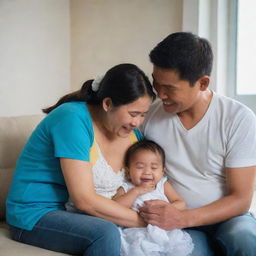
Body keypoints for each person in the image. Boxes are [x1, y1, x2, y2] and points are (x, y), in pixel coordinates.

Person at [6, 63, 156, 256]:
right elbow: (84, 200)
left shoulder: (132, 135)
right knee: (104, 233)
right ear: (107, 103)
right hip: (35, 214)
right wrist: (146, 222)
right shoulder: (72, 118)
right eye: (133, 114)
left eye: (143, 114)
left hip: (76, 213)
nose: (137, 122)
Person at [139, 32, 256, 256]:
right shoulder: (149, 117)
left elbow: (241, 199)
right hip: (180, 224)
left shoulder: (238, 117)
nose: (160, 94)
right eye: (156, 83)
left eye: (170, 88)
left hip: (229, 219)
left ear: (202, 83)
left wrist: (182, 218)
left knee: (244, 237)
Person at [113, 139, 194, 256]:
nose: (147, 172)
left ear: (162, 172)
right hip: (137, 234)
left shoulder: (162, 184)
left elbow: (180, 203)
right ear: (128, 171)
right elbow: (116, 207)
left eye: (154, 168)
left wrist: (166, 208)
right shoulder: (127, 187)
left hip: (165, 233)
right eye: (140, 167)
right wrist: (136, 191)